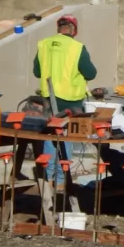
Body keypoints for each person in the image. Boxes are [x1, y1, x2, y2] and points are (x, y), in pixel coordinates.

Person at [32, 14, 97, 186]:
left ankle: (47, 178)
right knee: (66, 137)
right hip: (70, 101)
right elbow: (91, 73)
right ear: (74, 30)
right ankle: (61, 181)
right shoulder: (77, 47)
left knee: (49, 135)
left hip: (48, 98)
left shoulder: (44, 44)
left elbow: (37, 72)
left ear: (58, 28)